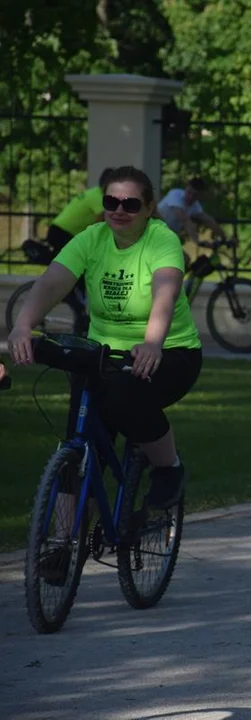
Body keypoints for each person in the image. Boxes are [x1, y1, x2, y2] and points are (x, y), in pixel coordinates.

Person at [8, 166, 202, 509]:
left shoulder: (161, 239)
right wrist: (24, 325)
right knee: (79, 443)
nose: (118, 210)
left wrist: (153, 341)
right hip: (102, 352)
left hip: (171, 352)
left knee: (124, 395)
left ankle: (168, 468)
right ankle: (62, 545)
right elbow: (52, 283)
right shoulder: (91, 237)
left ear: (149, 208)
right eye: (112, 201)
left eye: (130, 204)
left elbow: (165, 292)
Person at [45, 167, 113, 253]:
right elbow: (103, 221)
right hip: (64, 233)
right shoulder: (99, 197)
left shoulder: (92, 192)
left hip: (57, 230)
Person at [156, 177, 226, 241]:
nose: (190, 197)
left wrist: (224, 238)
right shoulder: (175, 194)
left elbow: (209, 221)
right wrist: (197, 241)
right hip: (153, 233)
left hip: (165, 237)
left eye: (195, 195)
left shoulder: (195, 205)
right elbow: (184, 219)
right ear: (186, 188)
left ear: (199, 196)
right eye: (189, 192)